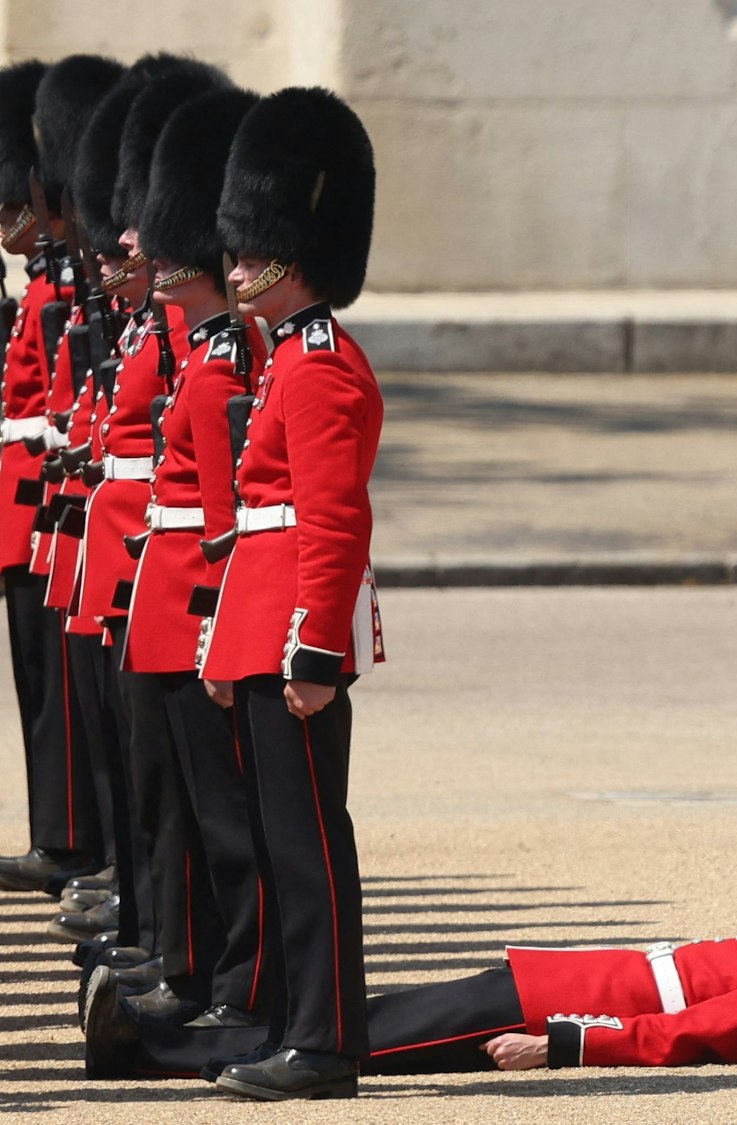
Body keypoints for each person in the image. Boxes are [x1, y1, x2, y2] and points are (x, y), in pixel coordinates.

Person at [194, 85, 385, 1098]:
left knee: (309, 850)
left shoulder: (318, 369)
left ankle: (324, 1042)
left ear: (290, 249)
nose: (232, 266)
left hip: (295, 638)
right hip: (263, 628)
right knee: (282, 847)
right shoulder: (282, 365)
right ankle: (302, 1029)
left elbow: (329, 522)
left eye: (245, 248)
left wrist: (312, 649)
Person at [84, 916, 737, 1100]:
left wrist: (565, 1046)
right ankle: (163, 1041)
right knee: (364, 1018)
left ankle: (150, 1051)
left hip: (550, 1005)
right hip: (549, 984)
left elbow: (692, 1037)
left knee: (356, 1036)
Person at [121, 83, 274, 1032]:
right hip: (166, 599)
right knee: (183, 810)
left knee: (225, 823)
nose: (141, 249)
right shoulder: (203, 351)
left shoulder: (224, 361)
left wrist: (218, 624)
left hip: (197, 606)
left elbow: (225, 519)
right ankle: (205, 978)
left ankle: (239, 989)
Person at [0, 57, 104, 895]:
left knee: (65, 692)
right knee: (41, 683)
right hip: (28, 496)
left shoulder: (68, 288)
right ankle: (58, 830)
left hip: (53, 501)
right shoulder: (42, 284)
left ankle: (71, 837)